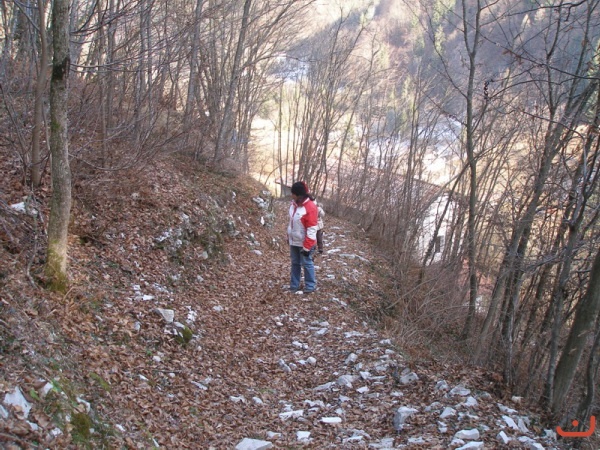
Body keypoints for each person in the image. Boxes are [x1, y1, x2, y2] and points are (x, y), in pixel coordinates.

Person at [287, 181, 318, 293]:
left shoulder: (310, 207)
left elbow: (312, 228)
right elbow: (292, 222)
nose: (291, 195)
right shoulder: (293, 204)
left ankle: (310, 286)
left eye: (293, 193)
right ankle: (294, 285)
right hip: (294, 240)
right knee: (295, 263)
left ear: (298, 194)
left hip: (305, 242)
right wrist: (289, 236)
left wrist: (307, 247)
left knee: (307, 263)